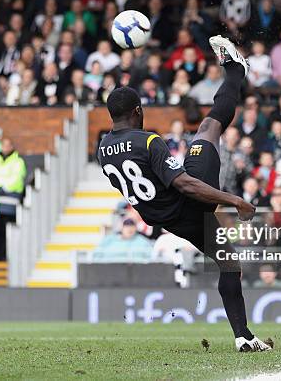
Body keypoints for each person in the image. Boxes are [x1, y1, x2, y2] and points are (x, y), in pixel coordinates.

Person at [97, 35, 270, 353]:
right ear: (138, 110)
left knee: (229, 262)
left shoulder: (103, 149)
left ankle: (244, 336)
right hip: (188, 203)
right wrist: (234, 200)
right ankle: (234, 69)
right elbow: (185, 184)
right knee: (209, 127)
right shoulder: (148, 141)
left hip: (170, 221)